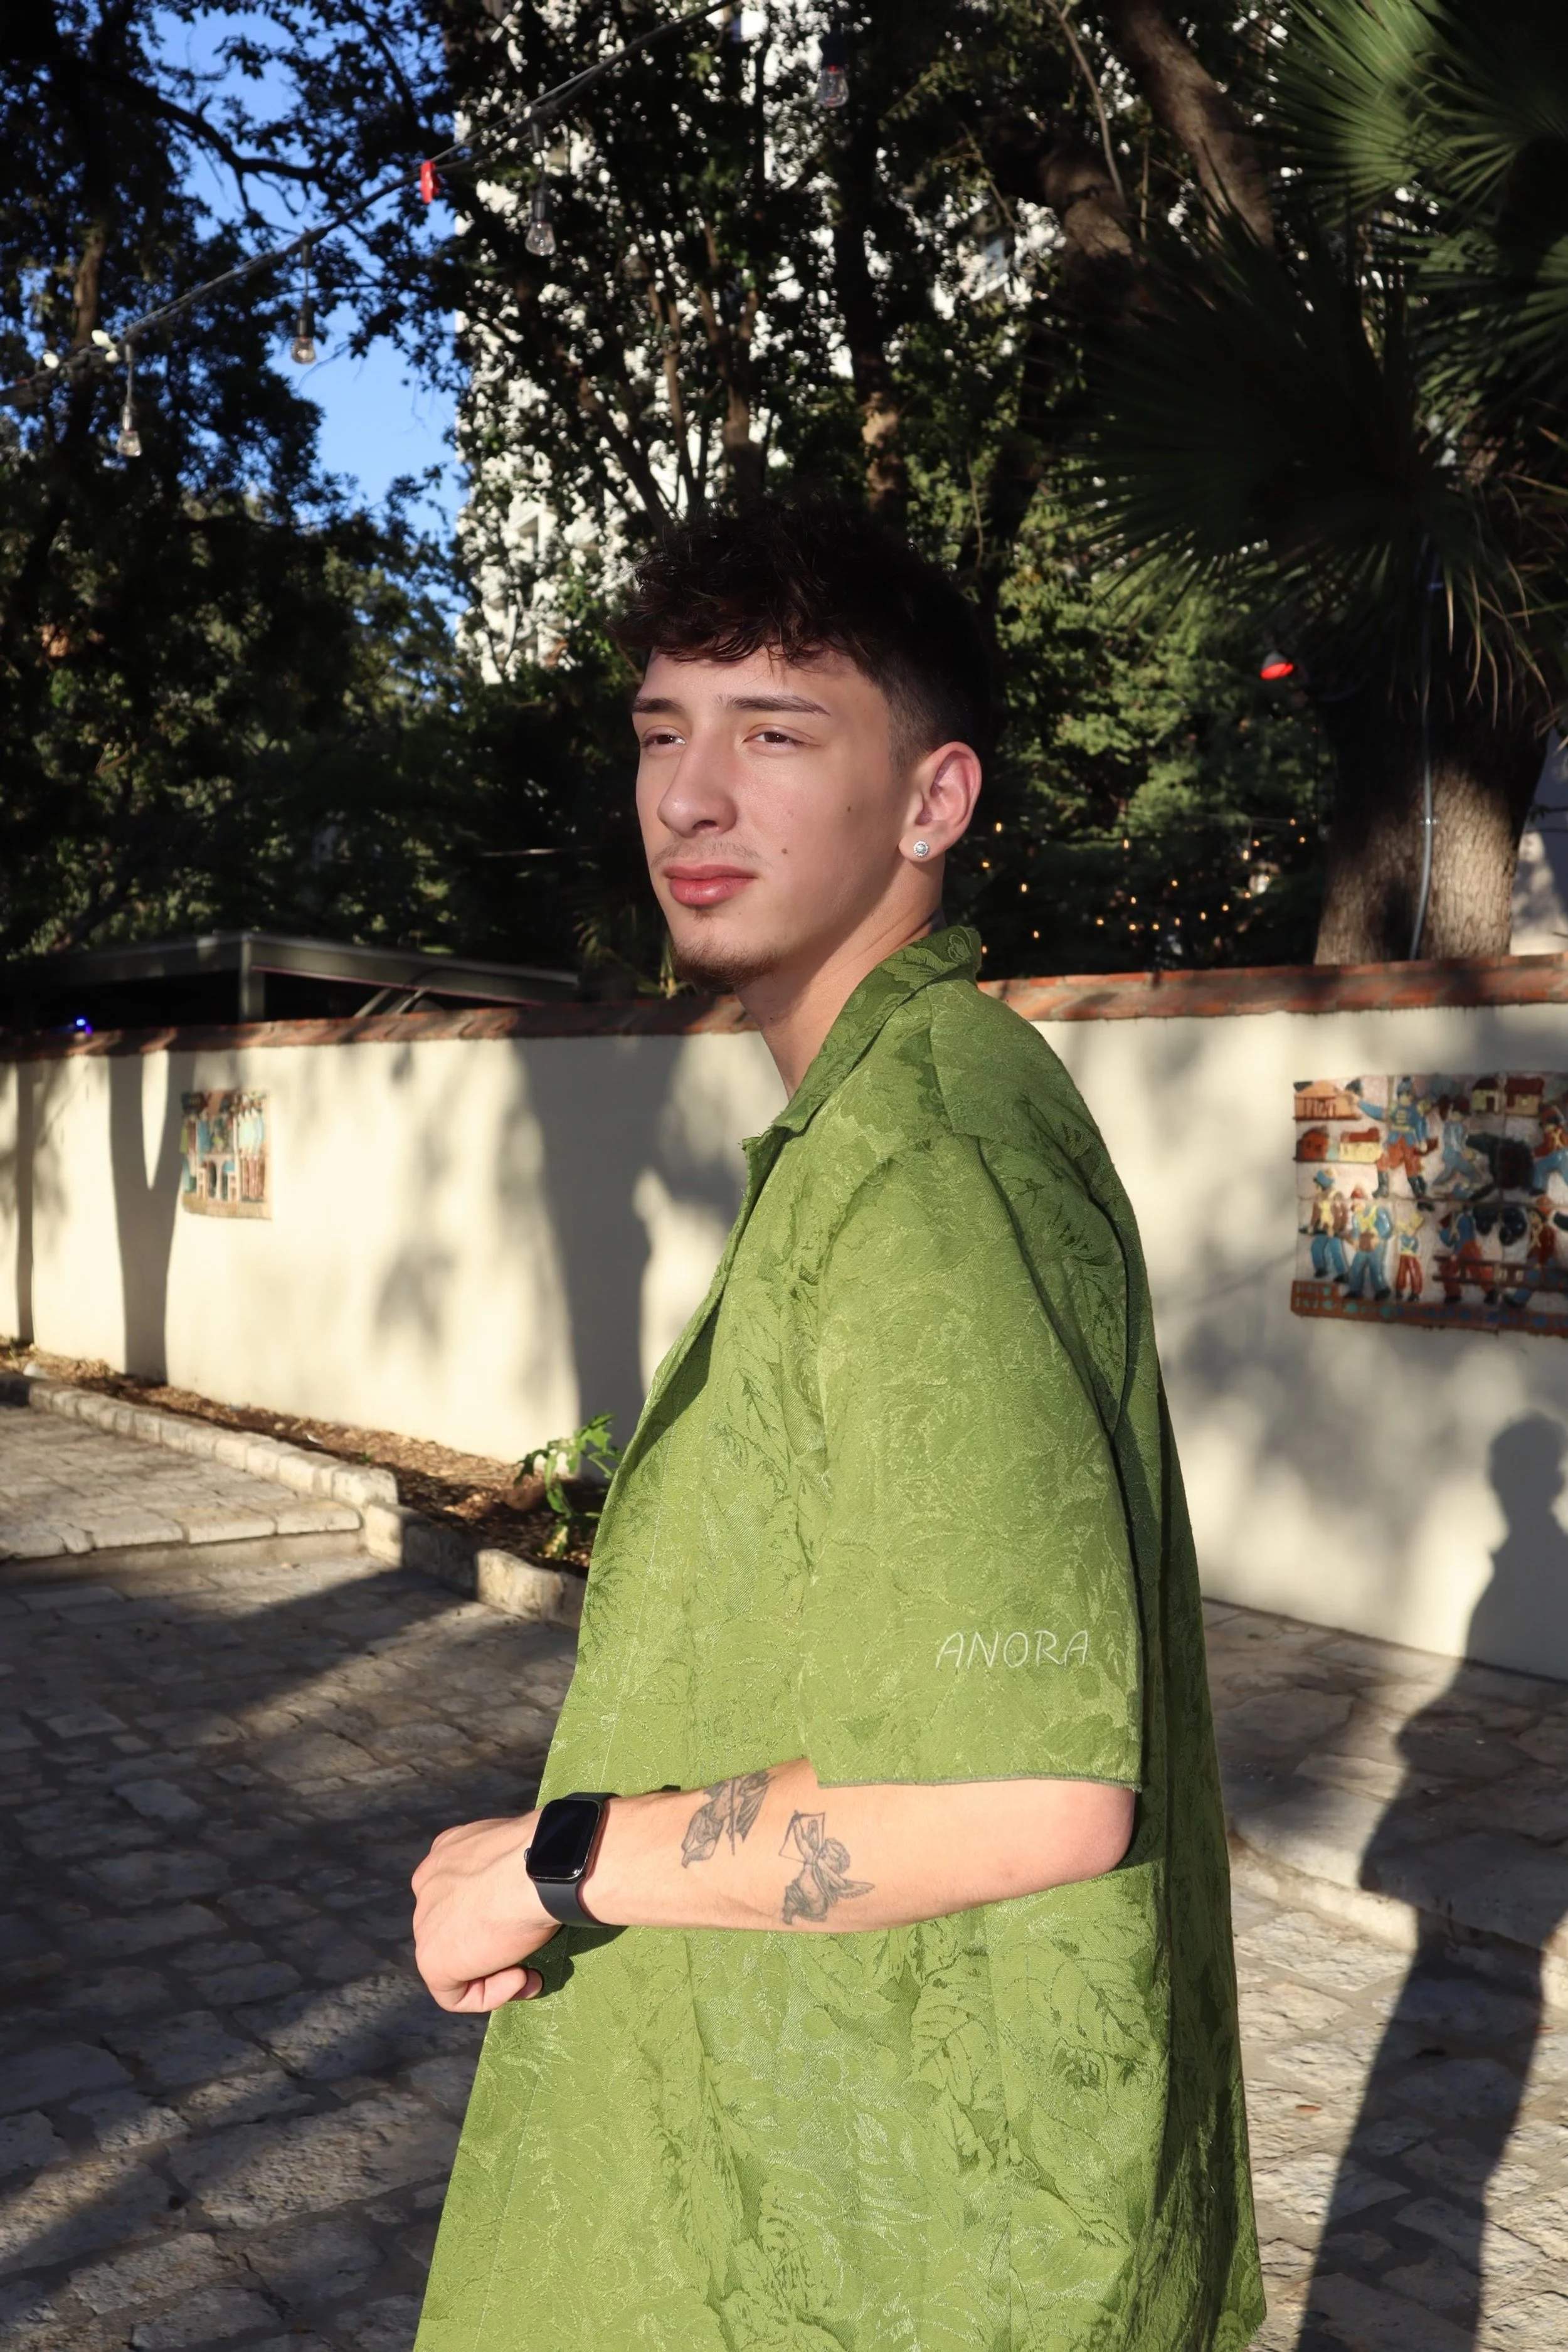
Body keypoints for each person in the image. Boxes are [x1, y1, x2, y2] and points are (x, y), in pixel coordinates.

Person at [410, 502, 1262, 2352]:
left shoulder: (923, 1165)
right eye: (660, 731)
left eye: (775, 733)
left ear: (931, 801)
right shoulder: (885, 1114)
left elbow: (1029, 1792)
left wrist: (552, 1859)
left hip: (917, 2238)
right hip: (838, 2177)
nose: (690, 797)